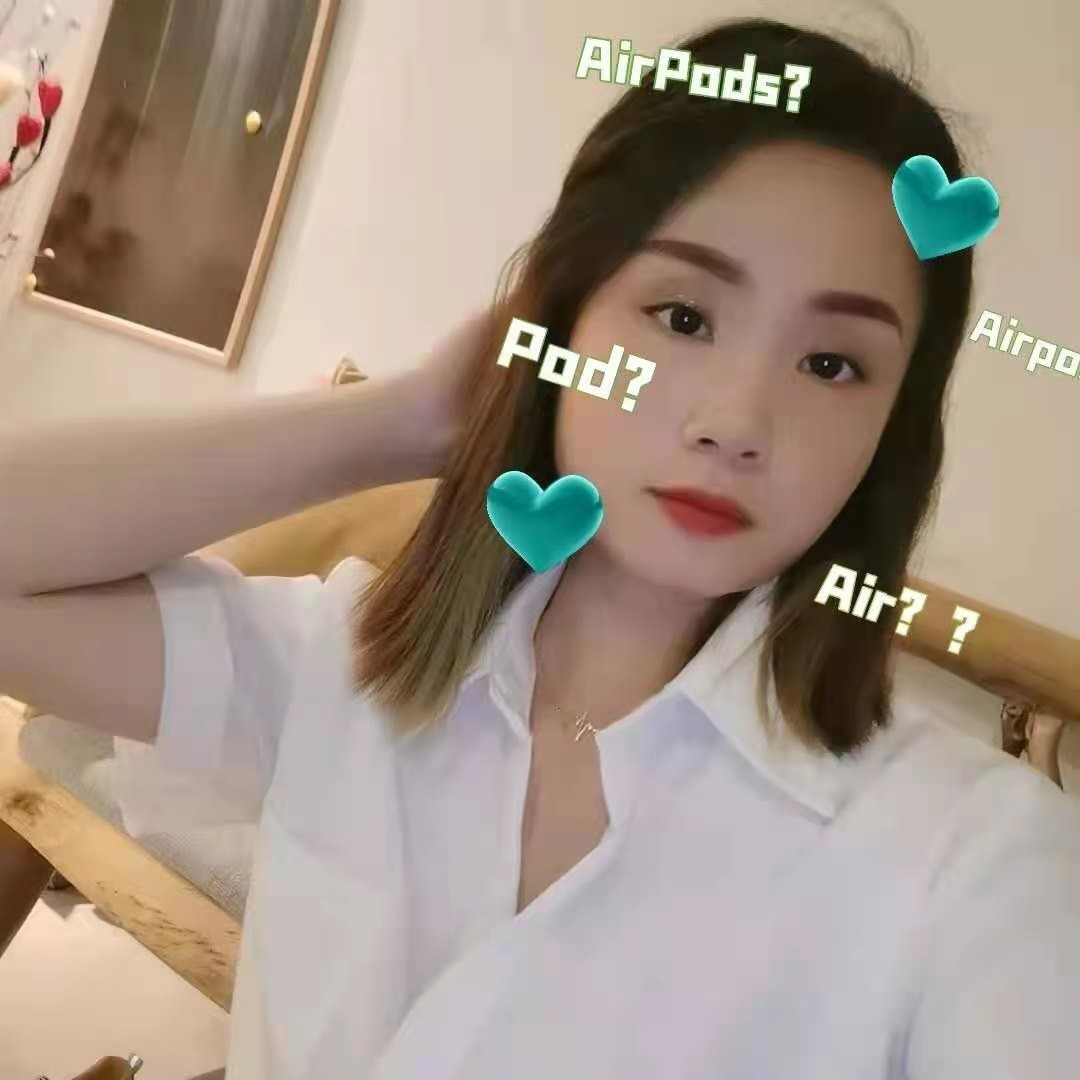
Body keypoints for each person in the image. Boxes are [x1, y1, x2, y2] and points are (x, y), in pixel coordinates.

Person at [1, 16, 1078, 1080]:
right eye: (683, 317)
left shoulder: (975, 862)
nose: (737, 422)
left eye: (833, 365)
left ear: (891, 431)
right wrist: (409, 419)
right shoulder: (345, 668)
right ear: (562, 321)